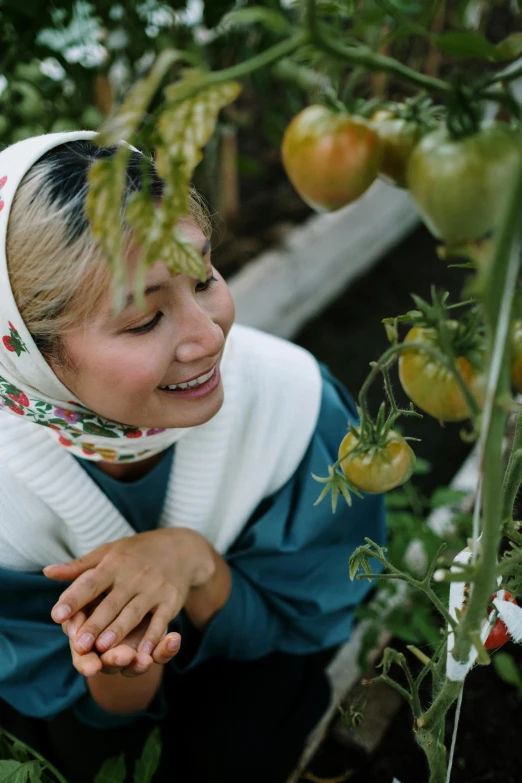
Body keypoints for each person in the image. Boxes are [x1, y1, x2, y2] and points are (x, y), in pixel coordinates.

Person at [0, 131, 385, 783]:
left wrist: (196, 563)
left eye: (204, 277)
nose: (209, 337)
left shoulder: (293, 410)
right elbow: (46, 705)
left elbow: (297, 632)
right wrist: (125, 664)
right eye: (146, 320)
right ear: (29, 353)